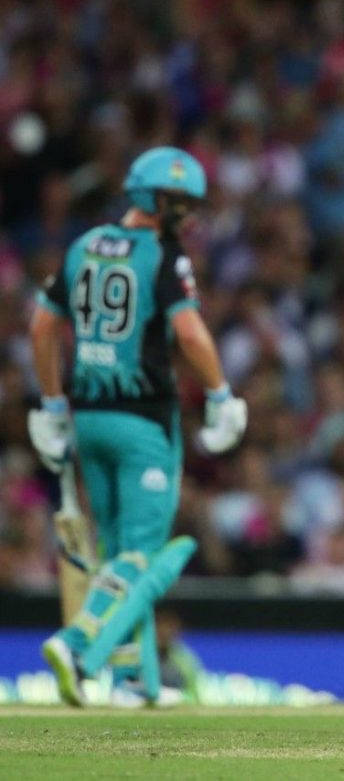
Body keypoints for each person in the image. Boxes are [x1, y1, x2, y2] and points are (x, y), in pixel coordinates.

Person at [30, 146, 248, 708]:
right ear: (152, 197)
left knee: (117, 556)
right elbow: (191, 333)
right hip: (144, 420)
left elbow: (42, 327)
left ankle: (135, 682)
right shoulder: (162, 254)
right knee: (142, 556)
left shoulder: (82, 246)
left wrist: (52, 405)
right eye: (179, 201)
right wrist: (222, 394)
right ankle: (79, 644)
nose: (187, 213)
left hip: (87, 417)